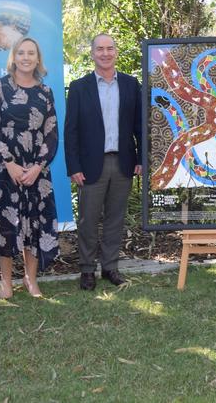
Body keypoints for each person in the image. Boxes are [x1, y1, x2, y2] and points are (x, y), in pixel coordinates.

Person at [0, 37, 59, 299]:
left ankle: (30, 280)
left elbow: (51, 132)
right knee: (6, 223)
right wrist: (9, 163)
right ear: (14, 57)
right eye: (20, 53)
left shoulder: (45, 92)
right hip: (2, 167)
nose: (25, 57)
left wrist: (37, 166)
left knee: (33, 223)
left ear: (37, 59)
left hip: (36, 166)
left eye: (30, 53)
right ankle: (7, 283)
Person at [64, 34, 142, 290]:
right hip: (89, 166)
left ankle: (110, 267)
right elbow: (71, 130)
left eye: (110, 48)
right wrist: (73, 166)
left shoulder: (131, 84)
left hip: (123, 162)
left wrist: (141, 158)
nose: (105, 53)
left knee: (115, 219)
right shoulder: (79, 87)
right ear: (92, 53)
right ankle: (87, 270)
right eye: (100, 49)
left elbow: (140, 126)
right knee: (88, 219)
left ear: (116, 52)